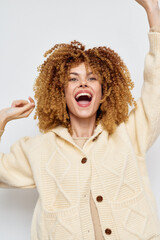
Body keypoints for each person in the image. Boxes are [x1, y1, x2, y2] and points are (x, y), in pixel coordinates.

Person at [0, 0, 160, 239]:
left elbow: (155, 85)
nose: (83, 83)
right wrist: (1, 120)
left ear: (104, 92)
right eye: (73, 79)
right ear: (60, 92)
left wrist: (153, 13)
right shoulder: (37, 150)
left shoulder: (130, 133)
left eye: (92, 78)